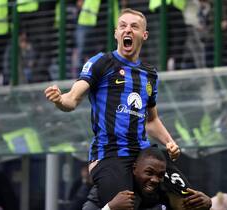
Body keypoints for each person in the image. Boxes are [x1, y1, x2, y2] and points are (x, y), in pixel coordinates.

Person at [44, 8, 180, 208]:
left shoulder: (150, 74)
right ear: (115, 33)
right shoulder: (102, 62)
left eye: (134, 26)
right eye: (123, 26)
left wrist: (170, 142)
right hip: (110, 154)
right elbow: (72, 99)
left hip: (143, 153)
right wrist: (59, 100)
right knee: (125, 205)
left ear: (144, 35)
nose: (128, 30)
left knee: (189, 198)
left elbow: (151, 120)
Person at [82, 147, 212, 210]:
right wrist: (110, 207)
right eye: (149, 173)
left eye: (160, 175)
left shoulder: (162, 191)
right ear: (134, 169)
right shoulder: (110, 187)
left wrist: (206, 205)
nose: (155, 179)